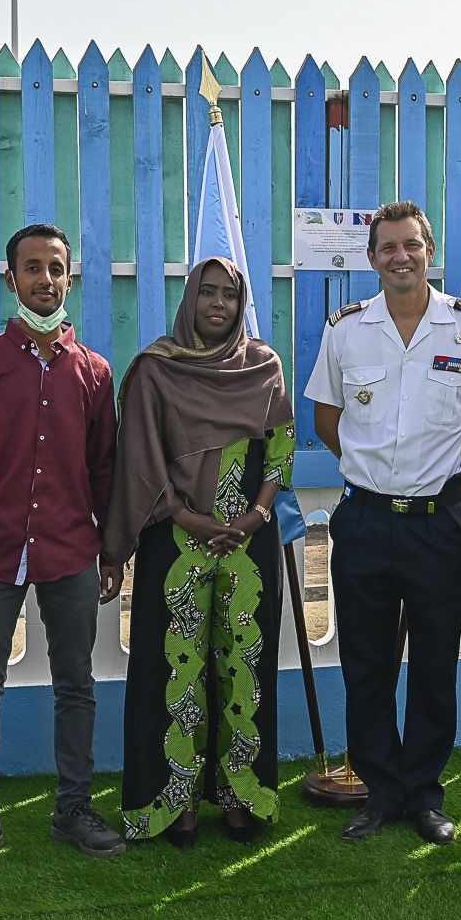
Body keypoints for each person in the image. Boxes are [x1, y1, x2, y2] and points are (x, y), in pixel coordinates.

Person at [304, 201, 461, 844]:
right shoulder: (346, 331)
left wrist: (436, 475)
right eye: (388, 248)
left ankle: (424, 793)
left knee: (432, 664)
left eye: (412, 245)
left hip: (438, 520)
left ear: (430, 252)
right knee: (365, 663)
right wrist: (376, 476)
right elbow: (327, 419)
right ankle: (379, 790)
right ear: (372, 259)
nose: (401, 257)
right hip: (366, 518)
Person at [0, 223, 126, 874]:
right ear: (9, 278)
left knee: (77, 682)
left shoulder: (94, 372)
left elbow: (105, 469)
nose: (45, 279)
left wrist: (114, 550)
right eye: (32, 267)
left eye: (56, 268)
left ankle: (73, 808)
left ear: (72, 278)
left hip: (71, 549)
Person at [105, 257, 295, 848]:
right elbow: (139, 456)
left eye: (230, 296)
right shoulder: (156, 370)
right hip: (176, 542)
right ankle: (174, 803)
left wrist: (255, 514)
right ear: (190, 300)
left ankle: (242, 797)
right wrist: (186, 516)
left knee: (245, 667)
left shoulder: (264, 366)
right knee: (175, 671)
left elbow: (282, 444)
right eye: (207, 293)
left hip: (248, 541)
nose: (218, 304)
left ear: (242, 305)